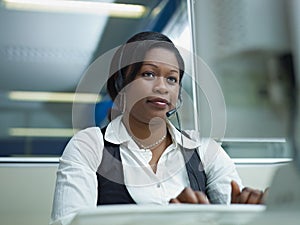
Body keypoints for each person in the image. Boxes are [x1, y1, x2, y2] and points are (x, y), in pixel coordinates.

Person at [50, 31, 267, 225]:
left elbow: (232, 213)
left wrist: (247, 214)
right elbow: (68, 222)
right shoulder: (89, 146)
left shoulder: (206, 152)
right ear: (121, 85)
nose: (162, 87)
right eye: (148, 74)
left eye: (172, 79)